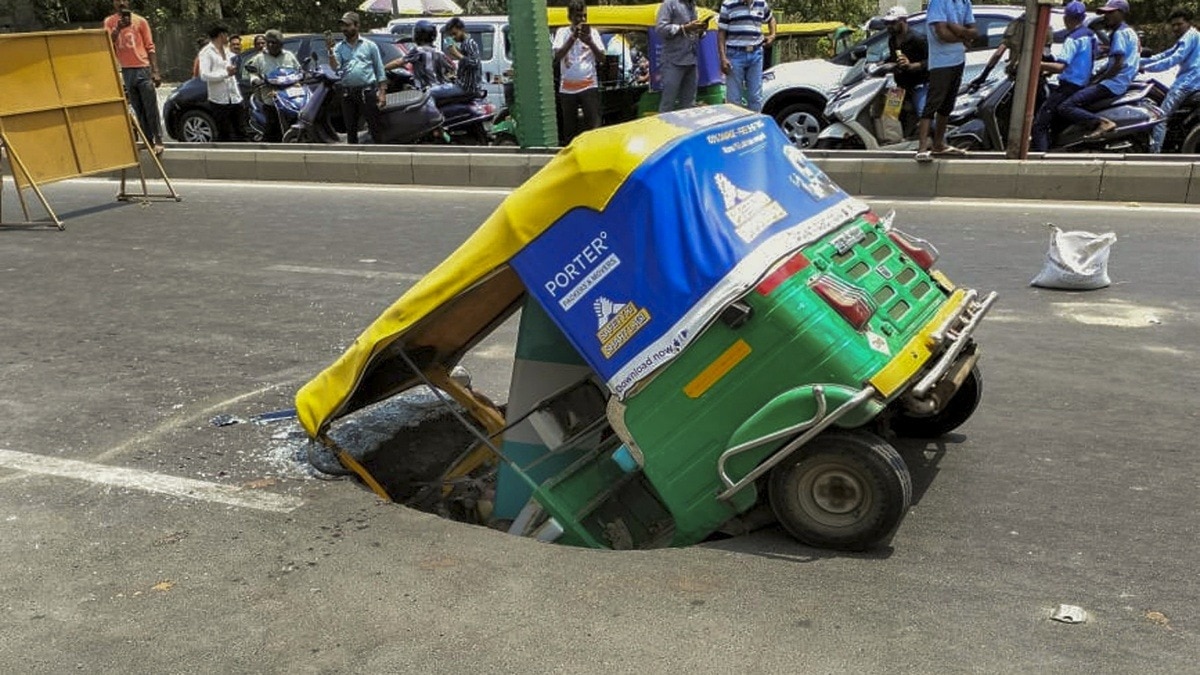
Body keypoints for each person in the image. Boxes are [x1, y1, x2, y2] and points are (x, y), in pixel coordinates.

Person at [1058, 0, 1139, 138]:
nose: (1106, 16)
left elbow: (1118, 64)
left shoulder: (1119, 34)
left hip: (1112, 84)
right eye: (1105, 13)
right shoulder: (1130, 32)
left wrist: (1100, 80)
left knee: (1065, 106)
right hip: (1122, 81)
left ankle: (1102, 123)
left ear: (1121, 12)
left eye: (1110, 12)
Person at [915, 0, 977, 161]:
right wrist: (963, 37)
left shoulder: (965, 2)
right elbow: (941, 34)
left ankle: (938, 144)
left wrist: (957, 30)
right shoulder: (938, 2)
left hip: (958, 59)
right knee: (933, 103)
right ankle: (922, 148)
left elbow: (974, 31)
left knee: (947, 105)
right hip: (941, 62)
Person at [1031, 1, 1095, 152]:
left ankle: (1041, 158)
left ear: (1066, 18)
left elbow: (1060, 67)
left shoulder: (1073, 39)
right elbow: (1079, 62)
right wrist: (1048, 70)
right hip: (1083, 84)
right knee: (1056, 120)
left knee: (1040, 124)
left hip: (1069, 86)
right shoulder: (1091, 35)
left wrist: (1033, 63)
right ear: (1083, 17)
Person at [104, 0, 164, 155]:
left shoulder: (140, 21)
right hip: (126, 69)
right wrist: (118, 28)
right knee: (138, 108)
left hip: (142, 68)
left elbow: (150, 46)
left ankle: (158, 140)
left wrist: (155, 71)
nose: (121, 3)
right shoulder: (109, 22)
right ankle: (147, 140)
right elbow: (107, 43)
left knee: (150, 106)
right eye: (118, 1)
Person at [1141, 7, 1200, 152]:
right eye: (1173, 25)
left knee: (1160, 118)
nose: (1175, 28)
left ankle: (1153, 154)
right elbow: (1165, 54)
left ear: (1189, 23)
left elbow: (1174, 59)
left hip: (1188, 83)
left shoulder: (1190, 36)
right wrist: (1139, 61)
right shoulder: (1188, 37)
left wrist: (1147, 68)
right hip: (1188, 80)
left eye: (1179, 24)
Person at [327, 12, 387, 144]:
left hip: (367, 92)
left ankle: (380, 157)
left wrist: (382, 93)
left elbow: (379, 69)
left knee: (375, 127)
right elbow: (335, 67)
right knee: (351, 130)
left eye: (347, 25)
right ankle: (354, 160)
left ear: (357, 25)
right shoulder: (339, 47)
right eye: (342, 26)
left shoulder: (369, 45)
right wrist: (330, 53)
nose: (344, 29)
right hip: (348, 93)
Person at [553, 0, 605, 142]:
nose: (581, 20)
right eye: (578, 16)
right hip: (567, 89)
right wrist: (573, 38)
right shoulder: (562, 33)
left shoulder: (593, 33)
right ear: (570, 17)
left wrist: (590, 42)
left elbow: (602, 58)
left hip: (589, 86)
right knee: (569, 128)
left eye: (584, 16)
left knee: (593, 126)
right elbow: (557, 57)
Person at [717, 0, 775, 112]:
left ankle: (753, 125)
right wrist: (723, 58)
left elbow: (771, 19)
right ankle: (735, 126)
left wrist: (772, 35)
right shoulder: (728, 4)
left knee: (755, 97)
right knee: (734, 100)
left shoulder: (761, 3)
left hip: (756, 54)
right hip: (735, 55)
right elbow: (721, 33)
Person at [247, 29, 301, 142]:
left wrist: (301, 77)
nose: (271, 45)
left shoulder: (289, 56)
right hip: (271, 99)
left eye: (274, 42)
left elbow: (299, 70)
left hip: (290, 99)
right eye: (269, 42)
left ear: (281, 44)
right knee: (272, 130)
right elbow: (252, 73)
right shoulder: (259, 58)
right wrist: (255, 80)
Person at [656, 0, 708, 112]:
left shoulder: (693, 6)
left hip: (692, 60)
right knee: (668, 103)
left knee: (689, 104)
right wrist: (684, 28)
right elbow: (661, 29)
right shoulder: (669, 4)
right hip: (673, 61)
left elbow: (693, 32)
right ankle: (664, 128)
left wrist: (700, 30)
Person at [198, 24, 245, 142]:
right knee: (224, 133)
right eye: (226, 35)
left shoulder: (227, 51)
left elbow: (236, 62)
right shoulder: (207, 52)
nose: (228, 38)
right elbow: (204, 75)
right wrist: (225, 74)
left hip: (234, 97)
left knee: (241, 130)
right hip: (219, 100)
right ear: (221, 35)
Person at [883, 6, 929, 119]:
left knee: (923, 114)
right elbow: (893, 59)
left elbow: (932, 61)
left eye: (893, 22)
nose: (889, 26)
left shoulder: (919, 39)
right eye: (887, 23)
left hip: (919, 85)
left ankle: (937, 135)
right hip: (900, 86)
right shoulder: (892, 40)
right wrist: (882, 64)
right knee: (890, 115)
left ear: (903, 21)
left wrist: (912, 66)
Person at [388, 19, 453, 88]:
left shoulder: (418, 51)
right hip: (440, 88)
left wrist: (383, 69)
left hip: (425, 89)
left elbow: (398, 62)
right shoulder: (439, 52)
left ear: (417, 35)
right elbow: (450, 69)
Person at [445, 17, 483, 95]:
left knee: (432, 92)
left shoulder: (469, 43)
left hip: (467, 88)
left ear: (462, 30)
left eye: (455, 34)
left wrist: (457, 54)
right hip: (463, 85)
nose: (453, 37)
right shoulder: (463, 45)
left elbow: (475, 63)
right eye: (451, 35)